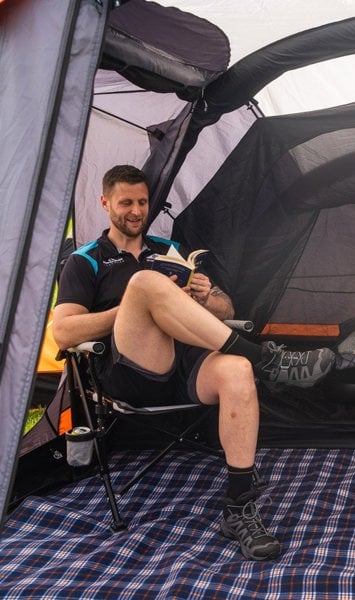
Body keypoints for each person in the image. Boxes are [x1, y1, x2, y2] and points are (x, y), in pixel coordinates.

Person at [52, 165, 335, 561]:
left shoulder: (169, 250)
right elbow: (63, 333)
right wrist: (136, 306)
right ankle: (265, 358)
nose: (136, 211)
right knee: (144, 284)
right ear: (105, 203)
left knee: (236, 371)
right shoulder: (86, 261)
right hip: (130, 371)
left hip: (187, 365)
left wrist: (206, 297)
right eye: (126, 203)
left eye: (143, 202)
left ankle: (239, 508)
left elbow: (227, 309)